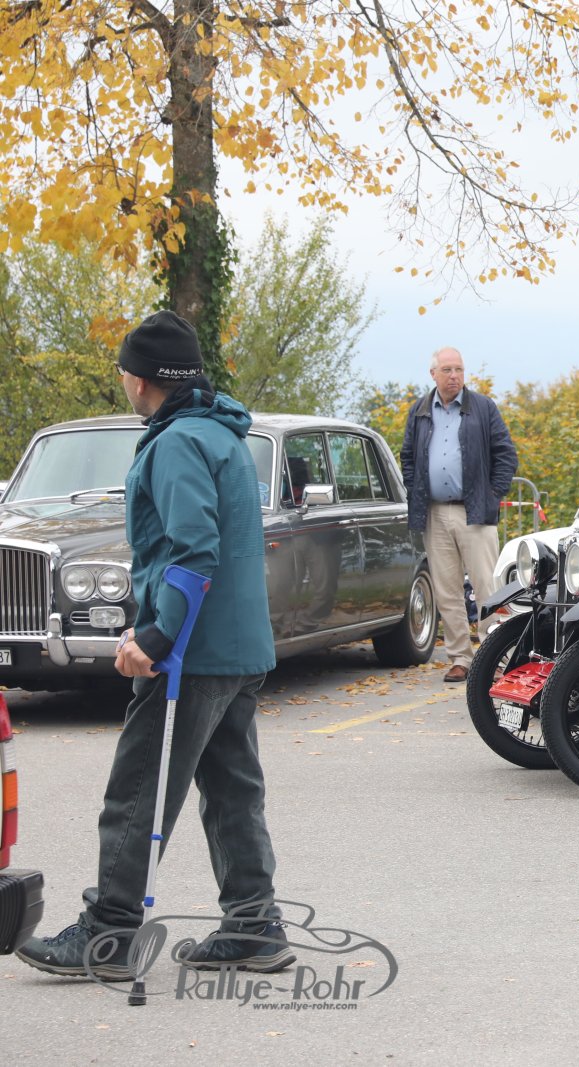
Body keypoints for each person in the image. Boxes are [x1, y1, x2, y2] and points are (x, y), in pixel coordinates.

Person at [18, 310, 294, 980]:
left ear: (140, 379)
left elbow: (192, 551)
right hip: (238, 647)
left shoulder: (176, 443)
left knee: (139, 788)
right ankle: (254, 925)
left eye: (124, 371)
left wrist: (157, 635)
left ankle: (108, 934)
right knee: (231, 788)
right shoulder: (224, 433)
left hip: (192, 651)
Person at [400, 346, 518, 683]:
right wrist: (415, 489)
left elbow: (506, 455)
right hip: (434, 512)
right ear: (433, 374)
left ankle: (496, 657)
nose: (454, 376)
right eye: (447, 370)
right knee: (447, 589)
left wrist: (492, 495)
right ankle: (460, 658)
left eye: (459, 370)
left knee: (486, 587)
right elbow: (408, 457)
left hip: (475, 511)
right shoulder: (420, 410)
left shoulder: (482, 407)